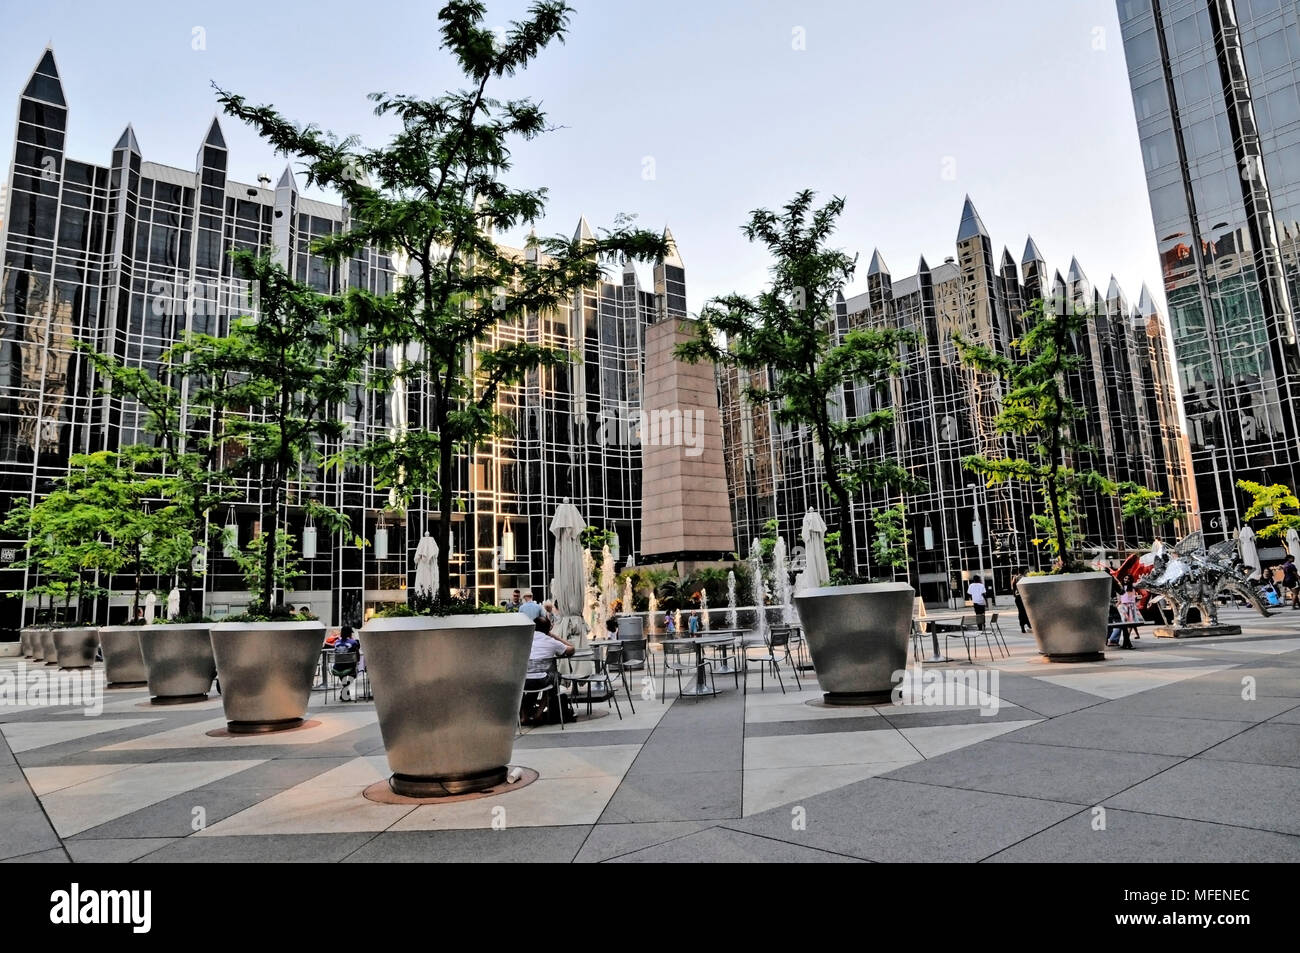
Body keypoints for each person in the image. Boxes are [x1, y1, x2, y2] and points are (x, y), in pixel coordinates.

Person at [521, 616, 574, 725]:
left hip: (524, 681)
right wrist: (554, 636)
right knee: (555, 678)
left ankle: (524, 716)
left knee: (531, 681)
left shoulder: (523, 640)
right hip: (543, 681)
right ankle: (539, 714)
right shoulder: (550, 641)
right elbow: (571, 649)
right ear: (548, 629)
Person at [332, 625, 361, 701]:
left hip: (336, 668)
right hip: (349, 668)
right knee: (354, 674)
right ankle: (345, 690)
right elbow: (357, 654)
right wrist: (358, 662)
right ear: (349, 634)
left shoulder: (336, 642)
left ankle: (345, 692)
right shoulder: (353, 642)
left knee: (342, 672)